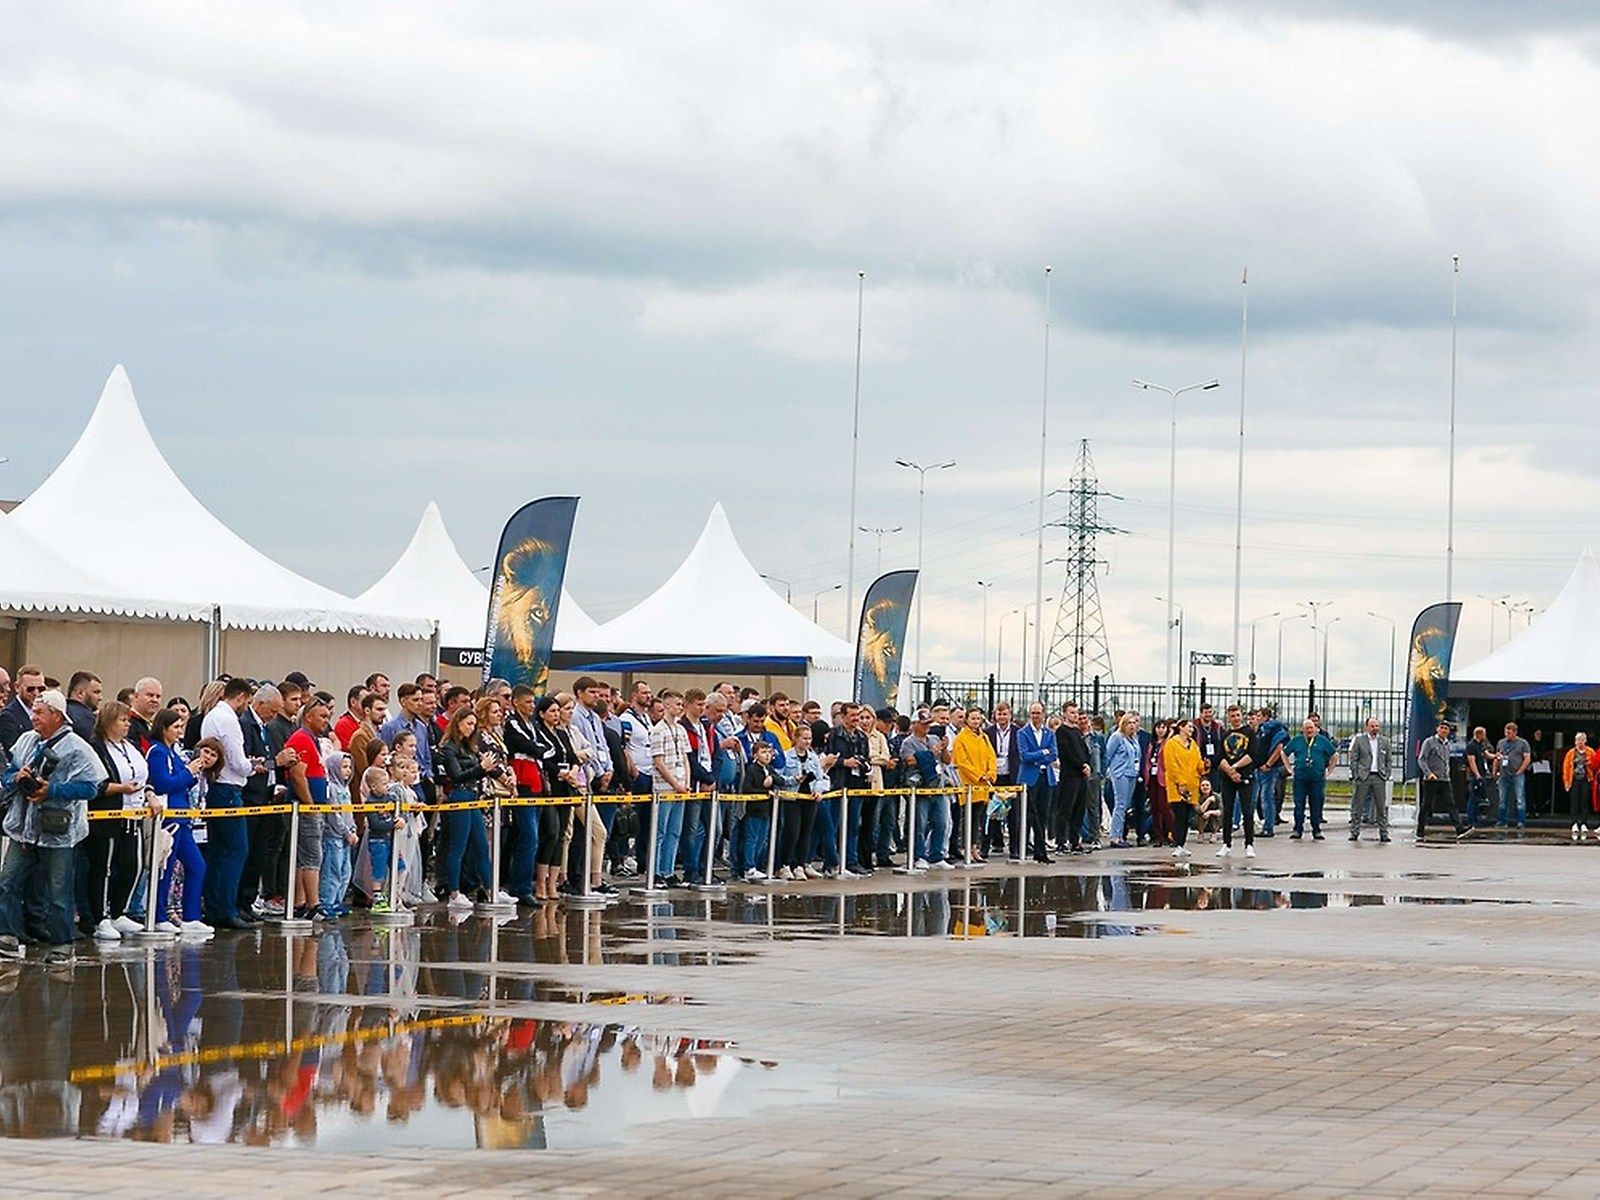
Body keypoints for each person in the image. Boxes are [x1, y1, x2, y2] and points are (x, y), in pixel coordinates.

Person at [0, 688, 107, 964]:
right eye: (33, 711)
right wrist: (17, 777)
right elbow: (9, 771)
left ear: (57, 716)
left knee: (58, 891)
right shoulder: (25, 741)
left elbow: (92, 787)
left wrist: (54, 790)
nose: (33, 717)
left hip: (58, 831)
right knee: (8, 882)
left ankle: (62, 944)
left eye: (39, 712)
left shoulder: (78, 747)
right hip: (22, 828)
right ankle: (7, 936)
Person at [84, 700, 150, 940]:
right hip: (106, 816)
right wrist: (121, 788)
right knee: (104, 867)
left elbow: (144, 774)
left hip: (133, 815)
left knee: (133, 865)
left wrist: (149, 793)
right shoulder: (95, 747)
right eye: (123, 720)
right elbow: (95, 784)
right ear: (109, 721)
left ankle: (119, 911)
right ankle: (100, 918)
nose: (127, 725)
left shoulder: (130, 746)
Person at [146, 710, 216, 935]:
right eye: (175, 727)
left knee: (197, 865)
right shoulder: (157, 752)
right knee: (164, 869)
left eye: (181, 727)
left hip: (182, 818)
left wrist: (193, 773)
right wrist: (188, 772)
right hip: (169, 818)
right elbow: (163, 783)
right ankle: (158, 916)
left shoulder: (172, 752)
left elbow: (181, 782)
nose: (180, 731)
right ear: (164, 728)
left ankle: (191, 917)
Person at [437, 706, 510, 910]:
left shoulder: (470, 747)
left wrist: (484, 769)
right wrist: (480, 769)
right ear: (458, 722)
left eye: (474, 725)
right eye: (468, 724)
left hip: (473, 796)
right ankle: (454, 892)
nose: (471, 728)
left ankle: (490, 889)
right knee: (458, 847)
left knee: (481, 845)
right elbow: (456, 775)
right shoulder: (449, 747)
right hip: (459, 796)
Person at [198, 677, 256, 929]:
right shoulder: (230, 720)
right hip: (229, 789)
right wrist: (253, 766)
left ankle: (215, 906)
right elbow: (238, 762)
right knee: (235, 850)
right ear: (241, 697)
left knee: (219, 851)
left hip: (215, 788)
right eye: (247, 701)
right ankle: (226, 908)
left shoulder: (211, 716)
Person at [648, 689, 692, 887]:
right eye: (677, 705)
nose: (680, 708)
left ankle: (668, 870)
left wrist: (687, 782)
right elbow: (659, 762)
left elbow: (685, 757)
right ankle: (656, 871)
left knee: (675, 831)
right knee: (661, 831)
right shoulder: (658, 730)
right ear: (667, 706)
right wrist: (675, 783)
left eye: (681, 705)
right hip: (664, 787)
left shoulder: (680, 730)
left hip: (681, 785)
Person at [776, 724, 827, 880]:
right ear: (795, 739)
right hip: (792, 798)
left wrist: (818, 790)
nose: (807, 742)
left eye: (809, 739)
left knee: (806, 832)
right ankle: (785, 864)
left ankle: (800, 864)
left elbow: (822, 778)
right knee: (792, 831)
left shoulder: (813, 758)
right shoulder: (786, 756)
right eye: (804, 738)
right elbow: (778, 777)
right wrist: (792, 780)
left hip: (809, 798)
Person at [951, 706, 996, 865]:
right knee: (967, 818)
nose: (976, 722)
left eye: (978, 718)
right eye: (973, 718)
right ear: (967, 720)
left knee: (978, 818)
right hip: (969, 784)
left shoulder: (984, 737)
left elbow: (991, 756)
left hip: (983, 785)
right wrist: (978, 775)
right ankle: (966, 850)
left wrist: (990, 774)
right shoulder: (961, 738)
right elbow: (962, 762)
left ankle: (975, 849)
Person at [1282, 717, 1337, 840]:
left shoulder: (1322, 741)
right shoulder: (1297, 740)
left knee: (1316, 805)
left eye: (1311, 728)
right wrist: (1289, 768)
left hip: (1317, 779)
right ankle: (1297, 829)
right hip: (1300, 778)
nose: (1309, 730)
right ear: (1303, 729)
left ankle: (1316, 830)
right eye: (1306, 728)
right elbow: (1283, 753)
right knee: (1299, 805)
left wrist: (1329, 770)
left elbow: (1335, 754)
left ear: (1315, 729)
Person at [1017, 702, 1058, 865]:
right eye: (1033, 713)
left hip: (1045, 776)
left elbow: (1053, 754)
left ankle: (1041, 852)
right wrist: (1042, 753)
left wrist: (1042, 757)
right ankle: (1023, 849)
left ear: (1044, 714)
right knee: (1028, 815)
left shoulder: (1049, 733)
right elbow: (1024, 755)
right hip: (1028, 778)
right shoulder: (1023, 733)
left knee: (1043, 815)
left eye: (1038, 713)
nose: (1035, 716)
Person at [1215, 705, 1257, 858]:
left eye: (1237, 715)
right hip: (1228, 778)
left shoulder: (1250, 733)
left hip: (1245, 776)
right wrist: (1230, 771)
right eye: (1232, 716)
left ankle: (1249, 844)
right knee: (1227, 811)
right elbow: (1220, 758)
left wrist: (1236, 767)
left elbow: (1252, 755)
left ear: (1242, 716)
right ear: (1228, 717)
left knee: (1247, 811)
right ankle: (1226, 844)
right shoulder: (1225, 734)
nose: (1235, 718)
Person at [1162, 717, 1206, 859]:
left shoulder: (1193, 745)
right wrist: (1179, 782)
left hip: (1192, 785)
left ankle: (1182, 843)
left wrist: (1204, 766)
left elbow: (1198, 763)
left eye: (1192, 728)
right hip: (1177, 786)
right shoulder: (1172, 744)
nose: (1191, 730)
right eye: (1189, 727)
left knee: (1187, 816)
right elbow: (1171, 765)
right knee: (1179, 815)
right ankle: (1177, 844)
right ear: (1181, 727)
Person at [320, 751, 357, 917]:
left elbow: (349, 813)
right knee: (332, 871)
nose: (348, 770)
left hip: (346, 837)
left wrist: (353, 829)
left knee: (345, 871)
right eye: (344, 767)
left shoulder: (345, 789)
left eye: (349, 767)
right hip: (334, 836)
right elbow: (334, 815)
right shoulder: (332, 789)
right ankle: (326, 901)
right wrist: (346, 832)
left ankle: (337, 901)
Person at [1054, 702, 1092, 854]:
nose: (1075, 715)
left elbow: (1084, 751)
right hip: (1070, 776)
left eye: (1076, 712)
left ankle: (1075, 841)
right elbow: (1066, 753)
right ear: (1064, 714)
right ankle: (1061, 842)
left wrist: (1087, 765)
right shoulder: (1062, 732)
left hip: (1081, 776)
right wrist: (1081, 765)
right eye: (1071, 712)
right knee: (1065, 809)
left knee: (1079, 810)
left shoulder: (1077, 732)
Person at [1347, 717, 1392, 843]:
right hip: (1363, 777)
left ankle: (1384, 833)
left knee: (1381, 807)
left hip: (1379, 776)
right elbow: (1354, 758)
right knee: (1358, 806)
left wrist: (1387, 773)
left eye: (1377, 726)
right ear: (1367, 727)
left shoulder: (1385, 741)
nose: (1375, 729)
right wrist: (1356, 774)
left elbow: (1388, 759)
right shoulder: (1360, 740)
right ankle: (1354, 832)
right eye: (1372, 726)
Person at [1417, 720, 1464, 839]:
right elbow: (1422, 759)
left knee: (1451, 803)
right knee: (1426, 805)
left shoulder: (1447, 744)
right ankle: (1420, 830)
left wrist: (1447, 773)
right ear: (1437, 729)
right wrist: (1429, 773)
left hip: (1444, 779)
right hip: (1432, 779)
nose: (1444, 730)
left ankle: (1459, 829)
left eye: (1446, 729)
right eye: (1442, 728)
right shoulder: (1429, 742)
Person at [739, 740, 778, 881]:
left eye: (768, 752)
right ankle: (749, 867)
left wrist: (772, 779)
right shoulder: (752, 770)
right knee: (752, 839)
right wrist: (765, 791)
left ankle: (758, 865)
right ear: (755, 755)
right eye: (763, 752)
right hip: (754, 810)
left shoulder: (769, 770)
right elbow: (747, 789)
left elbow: (780, 779)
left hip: (766, 811)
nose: (767, 755)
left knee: (762, 840)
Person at [1104, 713, 1142, 848]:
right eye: (1129, 723)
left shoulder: (1134, 738)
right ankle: (1115, 836)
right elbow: (1108, 755)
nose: (1132, 726)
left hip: (1132, 773)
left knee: (1125, 805)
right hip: (1121, 774)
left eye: (1134, 723)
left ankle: (1121, 834)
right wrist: (1107, 771)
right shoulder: (1117, 737)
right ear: (1123, 724)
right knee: (1120, 804)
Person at [1251, 706, 1288, 835]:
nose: (1257, 719)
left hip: (1268, 769)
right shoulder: (1261, 730)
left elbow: (1279, 747)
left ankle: (1268, 827)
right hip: (1260, 768)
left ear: (1266, 717)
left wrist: (1268, 764)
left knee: (1267, 797)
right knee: (1262, 797)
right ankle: (1265, 824)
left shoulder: (1271, 728)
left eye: (1259, 716)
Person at [0, 665, 46, 752]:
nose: (36, 693)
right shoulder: (8, 716)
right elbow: (13, 752)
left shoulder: (46, 714)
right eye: (30, 689)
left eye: (41, 689)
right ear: (17, 687)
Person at [1496, 721, 1532, 830]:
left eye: (1509, 733)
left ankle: (1520, 822)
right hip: (1503, 774)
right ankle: (1502, 821)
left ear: (1515, 732)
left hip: (1517, 774)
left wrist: (1520, 771)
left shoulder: (1523, 743)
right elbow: (1498, 757)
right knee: (1502, 799)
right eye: (1506, 733)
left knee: (1519, 798)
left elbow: (1527, 758)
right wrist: (1495, 771)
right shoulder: (1501, 743)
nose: (1507, 735)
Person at [1563, 732, 1596, 841]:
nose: (1580, 742)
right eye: (1578, 740)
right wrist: (1567, 782)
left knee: (1584, 802)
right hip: (1574, 780)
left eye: (1582, 740)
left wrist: (1588, 764)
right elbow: (1566, 768)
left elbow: (1595, 765)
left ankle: (1584, 823)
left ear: (1585, 741)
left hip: (1586, 780)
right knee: (1574, 801)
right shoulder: (1571, 753)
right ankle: (1574, 823)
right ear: (1575, 741)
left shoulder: (1590, 751)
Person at [1465, 726, 1494, 829]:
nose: (1485, 737)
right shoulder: (1471, 746)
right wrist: (1477, 774)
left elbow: (1487, 755)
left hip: (1482, 773)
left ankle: (1476, 819)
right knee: (1473, 797)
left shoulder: (1481, 745)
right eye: (1484, 734)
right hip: (1475, 776)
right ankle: (1471, 820)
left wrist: (1496, 756)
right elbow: (1471, 761)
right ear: (1479, 734)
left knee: (1478, 798)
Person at [66, 671, 102, 739]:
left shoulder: (61, 712)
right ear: (80, 693)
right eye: (96, 692)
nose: (100, 698)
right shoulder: (87, 718)